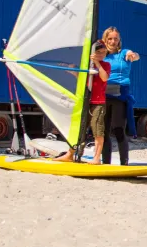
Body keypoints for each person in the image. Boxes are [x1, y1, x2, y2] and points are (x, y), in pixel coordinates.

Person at [55, 40, 110, 163]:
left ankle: (96, 158)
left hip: (98, 103)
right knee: (79, 129)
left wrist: (97, 63)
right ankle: (70, 154)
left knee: (97, 129)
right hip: (85, 101)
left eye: (104, 52)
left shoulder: (105, 65)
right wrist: (74, 71)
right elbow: (82, 79)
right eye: (98, 52)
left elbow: (104, 77)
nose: (101, 55)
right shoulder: (86, 65)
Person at [101, 27, 139, 165]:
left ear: (119, 40)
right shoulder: (102, 55)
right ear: (105, 40)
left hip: (120, 93)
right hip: (104, 94)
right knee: (104, 130)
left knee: (118, 128)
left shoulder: (123, 53)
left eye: (115, 39)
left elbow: (134, 55)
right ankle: (106, 162)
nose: (113, 41)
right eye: (110, 39)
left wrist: (133, 55)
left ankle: (124, 162)